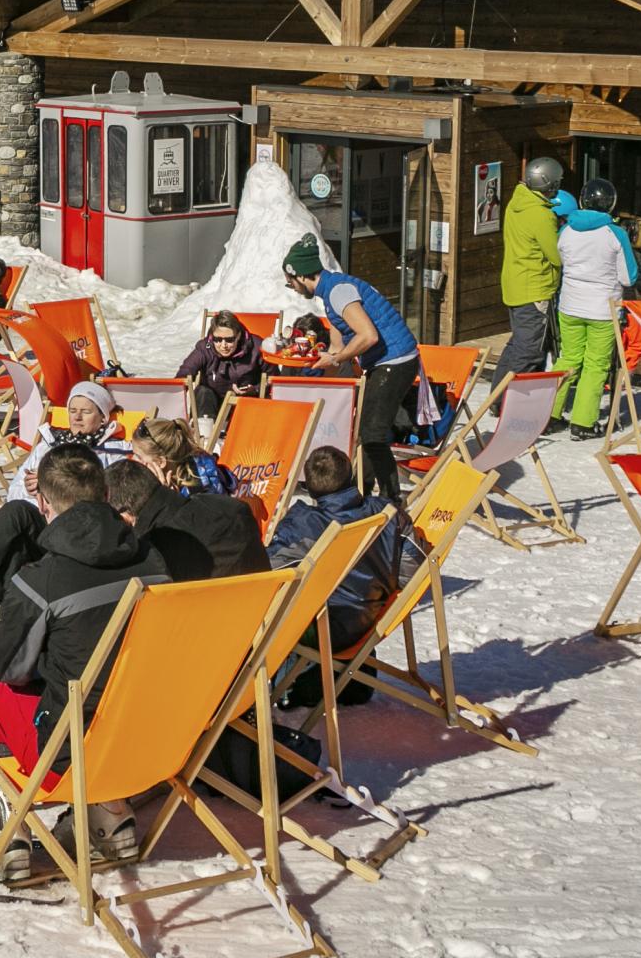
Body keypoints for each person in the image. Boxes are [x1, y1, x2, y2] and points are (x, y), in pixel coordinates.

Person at [0, 446, 168, 872]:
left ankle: (7, 827)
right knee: (96, 686)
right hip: (151, 738)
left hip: (74, 749)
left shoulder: (41, 578)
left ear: (43, 502)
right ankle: (109, 816)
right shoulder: (154, 559)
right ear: (104, 491)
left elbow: (9, 669)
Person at [280, 235, 422, 503]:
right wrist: (315, 361)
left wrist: (335, 359)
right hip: (387, 361)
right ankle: (362, 493)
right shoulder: (330, 292)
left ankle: (392, 501)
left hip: (395, 360)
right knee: (365, 434)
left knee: (373, 434)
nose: (293, 288)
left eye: (291, 284)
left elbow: (368, 336)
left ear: (299, 275)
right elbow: (337, 347)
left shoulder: (338, 291)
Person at [265, 445, 426, 665]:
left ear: (310, 489)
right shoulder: (386, 512)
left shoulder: (303, 526)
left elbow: (267, 579)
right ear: (350, 475)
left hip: (326, 630)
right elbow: (412, 573)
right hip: (368, 619)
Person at [552, 178, 639, 441]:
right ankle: (583, 422)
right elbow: (628, 277)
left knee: (568, 358)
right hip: (602, 309)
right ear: (611, 204)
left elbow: (559, 259)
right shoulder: (615, 233)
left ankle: (550, 413)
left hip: (569, 304)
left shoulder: (566, 230)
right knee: (595, 365)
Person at [105, 449, 264, 583]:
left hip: (203, 616)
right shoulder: (233, 508)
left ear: (126, 516)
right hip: (259, 610)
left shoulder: (149, 553)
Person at [493, 156, 565, 380]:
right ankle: (512, 401)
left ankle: (498, 398)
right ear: (550, 184)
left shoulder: (517, 203)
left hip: (516, 284)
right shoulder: (540, 214)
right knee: (530, 351)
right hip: (535, 288)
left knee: (518, 344)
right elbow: (556, 255)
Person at [9, 380, 132, 503]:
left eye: (86, 412)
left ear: (103, 418)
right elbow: (12, 494)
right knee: (12, 512)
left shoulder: (113, 454)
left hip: (80, 516)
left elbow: (119, 499)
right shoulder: (48, 444)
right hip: (35, 514)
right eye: (72, 411)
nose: (77, 417)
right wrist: (28, 490)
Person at [173, 310, 264, 432]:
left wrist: (255, 389)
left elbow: (273, 380)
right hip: (209, 407)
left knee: (250, 401)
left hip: (243, 404)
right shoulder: (205, 347)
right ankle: (205, 438)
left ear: (238, 336)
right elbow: (185, 372)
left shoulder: (256, 347)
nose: (223, 345)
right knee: (203, 391)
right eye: (218, 339)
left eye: (229, 340)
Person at [128, 412, 233, 497]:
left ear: (160, 462)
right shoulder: (183, 475)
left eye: (138, 457)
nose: (132, 459)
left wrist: (161, 498)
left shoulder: (198, 491)